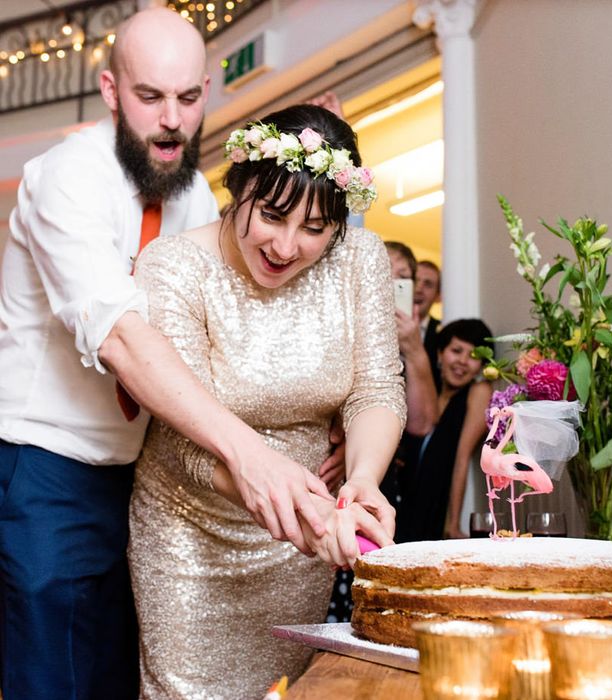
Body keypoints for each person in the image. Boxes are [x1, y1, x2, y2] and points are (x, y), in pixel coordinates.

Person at [0, 9, 334, 698]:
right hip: (43, 472)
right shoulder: (68, 177)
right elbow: (122, 336)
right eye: (150, 97)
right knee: (53, 682)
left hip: (140, 481)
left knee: (118, 681)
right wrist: (249, 453)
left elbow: (231, 328)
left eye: (187, 98)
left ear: (207, 90)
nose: (172, 121)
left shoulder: (191, 199)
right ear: (111, 90)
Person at [128, 104, 405, 696]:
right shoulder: (174, 267)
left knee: (288, 689)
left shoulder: (359, 259)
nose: (286, 246)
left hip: (301, 541)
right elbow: (186, 440)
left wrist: (362, 481)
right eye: (273, 215)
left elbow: (376, 387)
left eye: (314, 229)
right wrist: (304, 511)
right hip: (193, 534)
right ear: (239, 187)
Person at [396, 319, 493, 542]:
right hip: (402, 497)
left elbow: (462, 456)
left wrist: (453, 523)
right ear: (440, 354)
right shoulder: (425, 389)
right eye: (456, 351)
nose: (463, 362)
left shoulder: (477, 392)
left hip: (435, 504)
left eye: (474, 356)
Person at [415, 259, 442, 388]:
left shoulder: (443, 333)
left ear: (438, 296)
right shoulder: (381, 325)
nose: (419, 288)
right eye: (414, 280)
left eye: (428, 284)